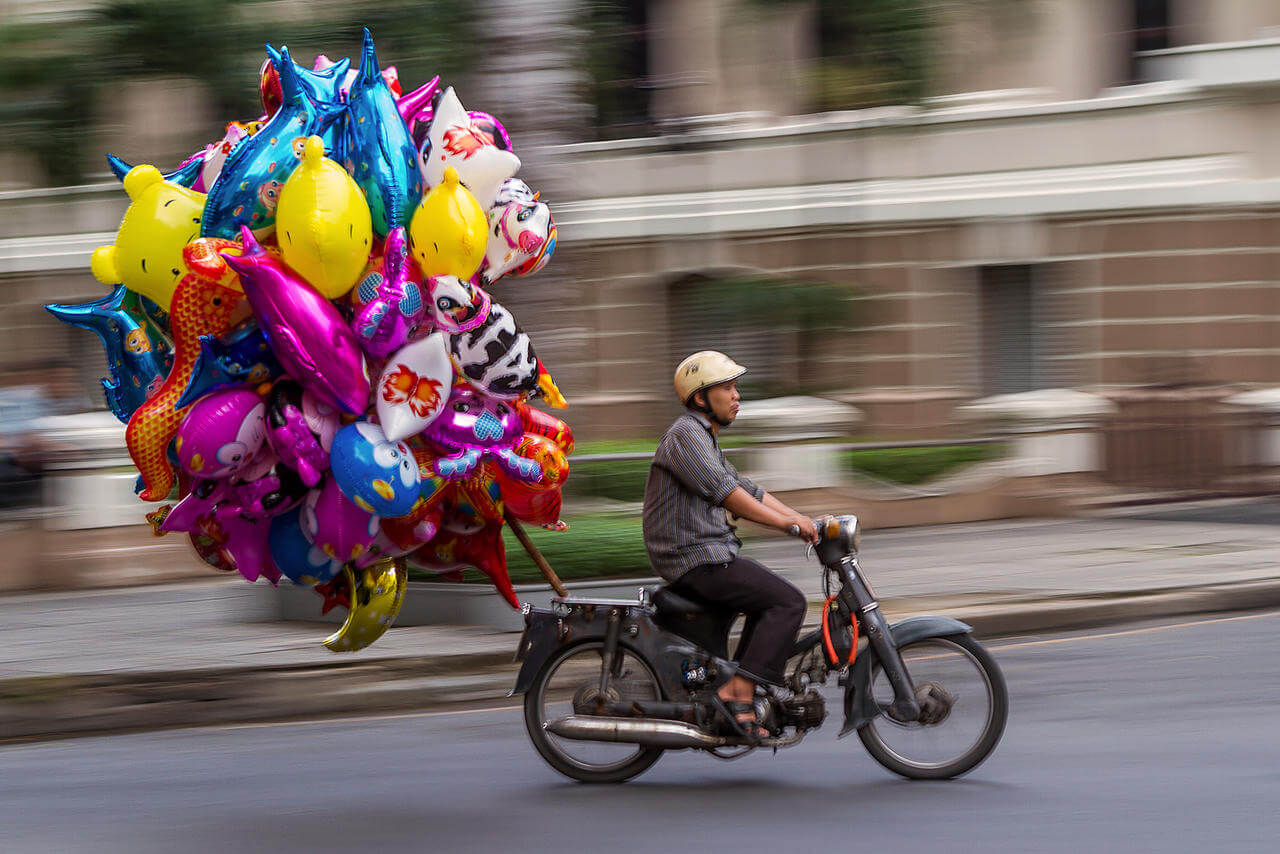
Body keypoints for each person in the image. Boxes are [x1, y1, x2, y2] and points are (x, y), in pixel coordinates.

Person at [642, 351, 818, 739]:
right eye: (728, 388)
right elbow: (729, 496)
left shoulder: (703, 437)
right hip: (693, 557)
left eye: (736, 388)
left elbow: (751, 490)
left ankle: (738, 695)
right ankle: (738, 692)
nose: (737, 396)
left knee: (767, 599)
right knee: (788, 601)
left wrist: (806, 520)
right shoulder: (685, 436)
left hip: (707, 554)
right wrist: (789, 526)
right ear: (701, 397)